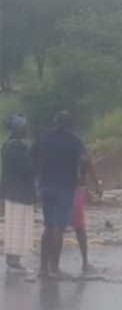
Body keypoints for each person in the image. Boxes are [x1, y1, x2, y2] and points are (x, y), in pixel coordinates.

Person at [30, 111, 96, 278]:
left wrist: (38, 171)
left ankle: (43, 268)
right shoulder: (74, 140)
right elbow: (85, 160)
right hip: (64, 187)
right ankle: (54, 267)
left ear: (55, 123)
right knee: (58, 226)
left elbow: (30, 155)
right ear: (70, 125)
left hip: (45, 186)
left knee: (48, 226)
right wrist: (82, 178)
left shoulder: (45, 138)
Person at [1, 115, 36, 272]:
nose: (27, 130)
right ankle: (14, 262)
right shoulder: (16, 148)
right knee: (17, 228)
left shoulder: (10, 146)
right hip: (19, 193)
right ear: (18, 130)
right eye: (25, 128)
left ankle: (13, 261)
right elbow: (27, 169)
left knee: (15, 227)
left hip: (14, 192)